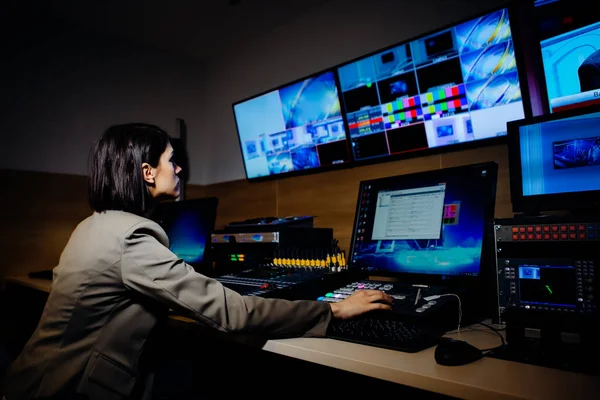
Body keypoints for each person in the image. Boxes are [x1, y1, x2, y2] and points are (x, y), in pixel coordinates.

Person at [2, 123, 392, 400]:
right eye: (172, 160)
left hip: (33, 378)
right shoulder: (133, 236)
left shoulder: (94, 225)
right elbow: (232, 313)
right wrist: (332, 310)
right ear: (147, 172)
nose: (179, 168)